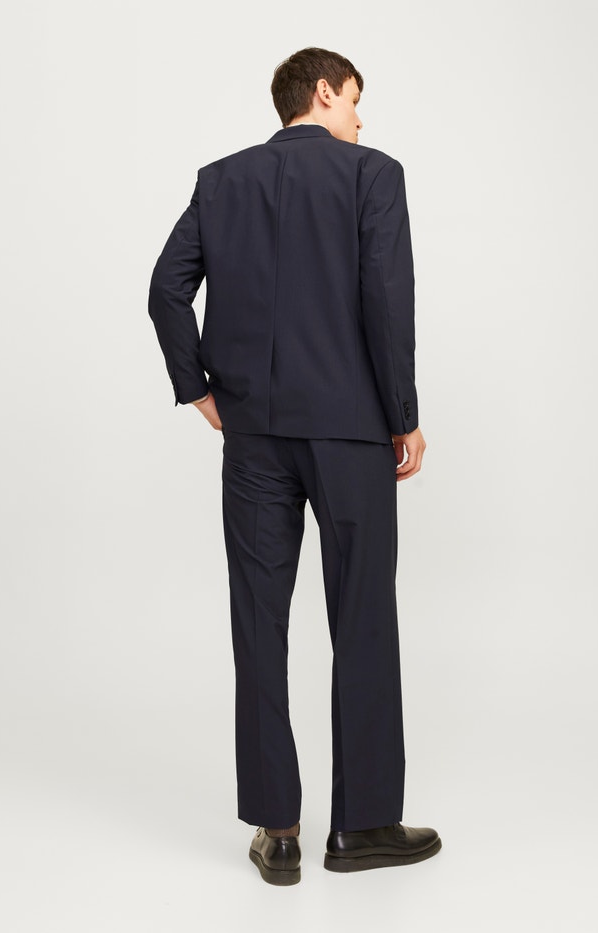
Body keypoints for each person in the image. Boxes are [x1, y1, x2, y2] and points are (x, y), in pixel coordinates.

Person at [148, 47, 440, 885]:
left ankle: (278, 831)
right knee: (363, 617)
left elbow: (166, 289)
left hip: (254, 439)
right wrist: (404, 415)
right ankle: (363, 826)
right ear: (322, 91)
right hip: (351, 434)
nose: (360, 117)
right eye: (355, 99)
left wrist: (199, 388)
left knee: (258, 623)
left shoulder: (222, 181)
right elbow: (386, 299)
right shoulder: (372, 175)